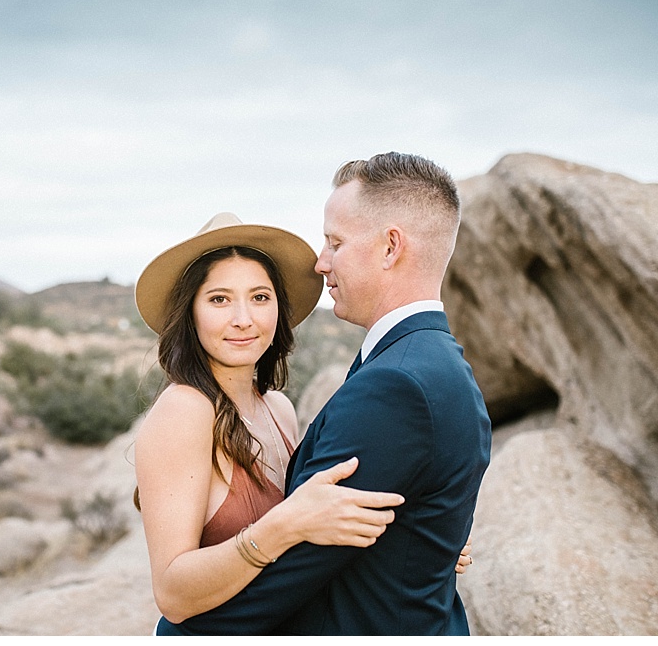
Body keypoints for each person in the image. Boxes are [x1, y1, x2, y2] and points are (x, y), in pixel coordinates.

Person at [159, 152, 492, 635]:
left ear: (389, 247)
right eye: (218, 299)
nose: (321, 262)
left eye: (335, 242)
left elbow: (297, 573)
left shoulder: (395, 384)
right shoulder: (439, 365)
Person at [133, 211, 430, 631]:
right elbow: (173, 595)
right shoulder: (185, 410)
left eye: (259, 297)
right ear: (191, 313)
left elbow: (308, 546)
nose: (243, 319)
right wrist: (283, 526)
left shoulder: (278, 408)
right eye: (219, 299)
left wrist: (417, 540)